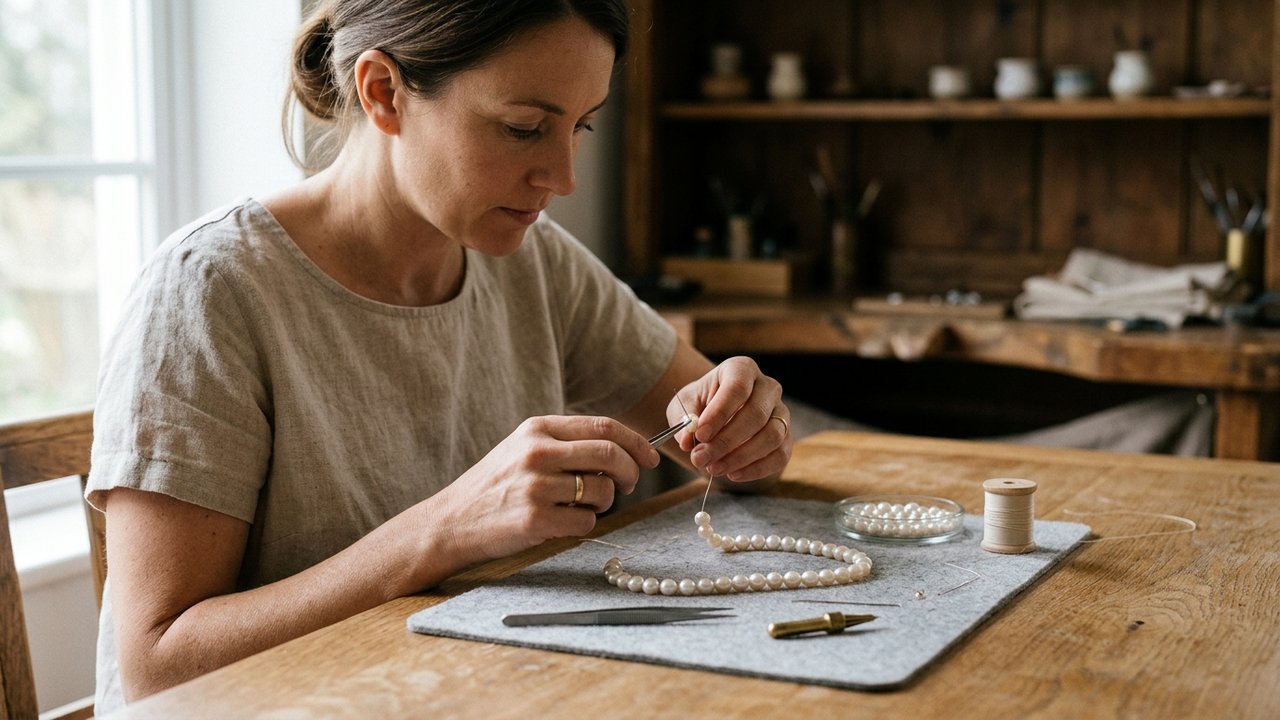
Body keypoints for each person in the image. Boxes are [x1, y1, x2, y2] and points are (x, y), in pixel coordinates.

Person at [86, 0, 793, 712]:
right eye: (524, 128)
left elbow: (714, 424)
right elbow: (157, 669)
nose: (563, 175)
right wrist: (443, 528)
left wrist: (744, 429)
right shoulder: (209, 291)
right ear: (383, 92)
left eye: (581, 126)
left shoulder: (535, 263)